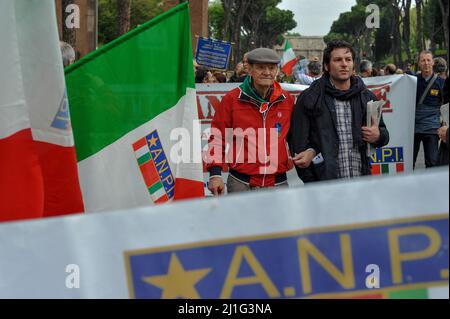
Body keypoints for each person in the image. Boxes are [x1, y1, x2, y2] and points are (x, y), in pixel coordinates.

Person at [289, 40, 390, 183]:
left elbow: (384, 135)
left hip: (360, 182)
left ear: (353, 65)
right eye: (338, 60)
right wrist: (312, 182)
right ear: (326, 66)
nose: (344, 64)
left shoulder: (367, 97)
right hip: (325, 186)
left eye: (348, 59)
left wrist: (378, 135)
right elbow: (298, 144)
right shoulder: (309, 98)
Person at [206, 48, 296, 195]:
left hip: (278, 183)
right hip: (241, 184)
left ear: (277, 71)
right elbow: (217, 137)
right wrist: (215, 174)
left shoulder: (287, 100)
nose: (267, 72)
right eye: (261, 67)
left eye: (272, 68)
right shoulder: (232, 99)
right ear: (249, 69)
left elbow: (296, 138)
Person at [413, 51, 445, 168]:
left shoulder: (441, 83)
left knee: (432, 163)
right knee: (409, 162)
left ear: (433, 62)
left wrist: (444, 126)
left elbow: (446, 105)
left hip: (432, 128)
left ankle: (431, 186)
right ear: (419, 64)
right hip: (413, 128)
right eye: (423, 60)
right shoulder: (412, 81)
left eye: (428, 60)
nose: (426, 63)